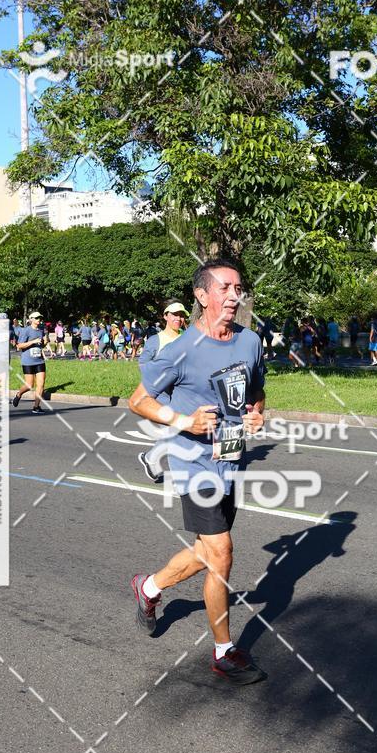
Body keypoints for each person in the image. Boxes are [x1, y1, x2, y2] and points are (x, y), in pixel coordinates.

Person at [128, 257, 266, 685]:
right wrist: (184, 422)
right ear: (202, 295)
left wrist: (257, 413)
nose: (233, 296)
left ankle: (149, 587)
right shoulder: (179, 350)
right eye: (224, 288)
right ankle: (224, 652)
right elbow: (138, 401)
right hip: (193, 464)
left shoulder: (250, 341)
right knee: (221, 551)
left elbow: (256, 390)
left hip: (230, 457)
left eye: (238, 288)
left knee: (207, 552)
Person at [137, 301, 189, 483]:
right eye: (174, 315)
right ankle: (152, 458)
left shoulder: (187, 337)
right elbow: (143, 364)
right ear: (166, 316)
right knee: (175, 430)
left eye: (181, 315)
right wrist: (161, 378)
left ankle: (152, 458)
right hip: (164, 395)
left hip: (184, 392)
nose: (178, 319)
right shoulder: (156, 340)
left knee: (180, 431)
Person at [12, 312, 47, 414]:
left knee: (41, 384)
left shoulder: (41, 330)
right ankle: (19, 394)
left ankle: (36, 407)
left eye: (40, 318)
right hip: (28, 361)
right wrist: (33, 341)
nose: (39, 320)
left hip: (39, 360)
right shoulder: (26, 330)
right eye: (37, 318)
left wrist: (45, 342)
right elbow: (19, 346)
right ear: (31, 319)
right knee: (29, 385)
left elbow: (41, 345)